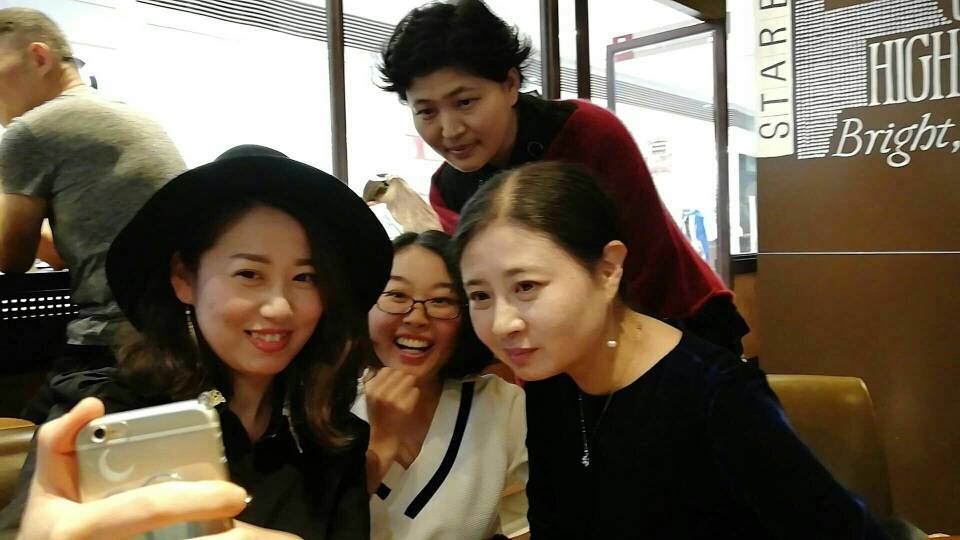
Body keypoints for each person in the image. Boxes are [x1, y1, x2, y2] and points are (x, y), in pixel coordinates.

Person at [452, 161, 895, 539]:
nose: (502, 323)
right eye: (480, 295)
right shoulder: (552, 380)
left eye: (526, 286)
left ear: (608, 270)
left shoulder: (717, 394)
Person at [1, 146, 392, 539]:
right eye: (249, 274)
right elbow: (37, 523)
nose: (279, 307)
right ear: (185, 279)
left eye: (305, 277)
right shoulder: (105, 415)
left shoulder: (332, 437)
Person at [379, 0, 748, 355]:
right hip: (555, 349)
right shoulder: (447, 190)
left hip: (677, 321)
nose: (450, 130)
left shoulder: (588, 133)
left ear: (510, 84)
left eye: (465, 102)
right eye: (426, 111)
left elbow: (645, 260)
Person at [0, 7, 186, 374]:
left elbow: (11, 260)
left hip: (117, 342)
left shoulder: (31, 131)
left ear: (39, 57)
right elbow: (74, 251)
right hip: (182, 334)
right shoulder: (127, 114)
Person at [353, 230, 528, 540]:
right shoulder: (322, 408)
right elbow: (305, 525)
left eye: (441, 301)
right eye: (397, 295)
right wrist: (379, 446)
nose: (416, 318)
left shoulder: (500, 406)